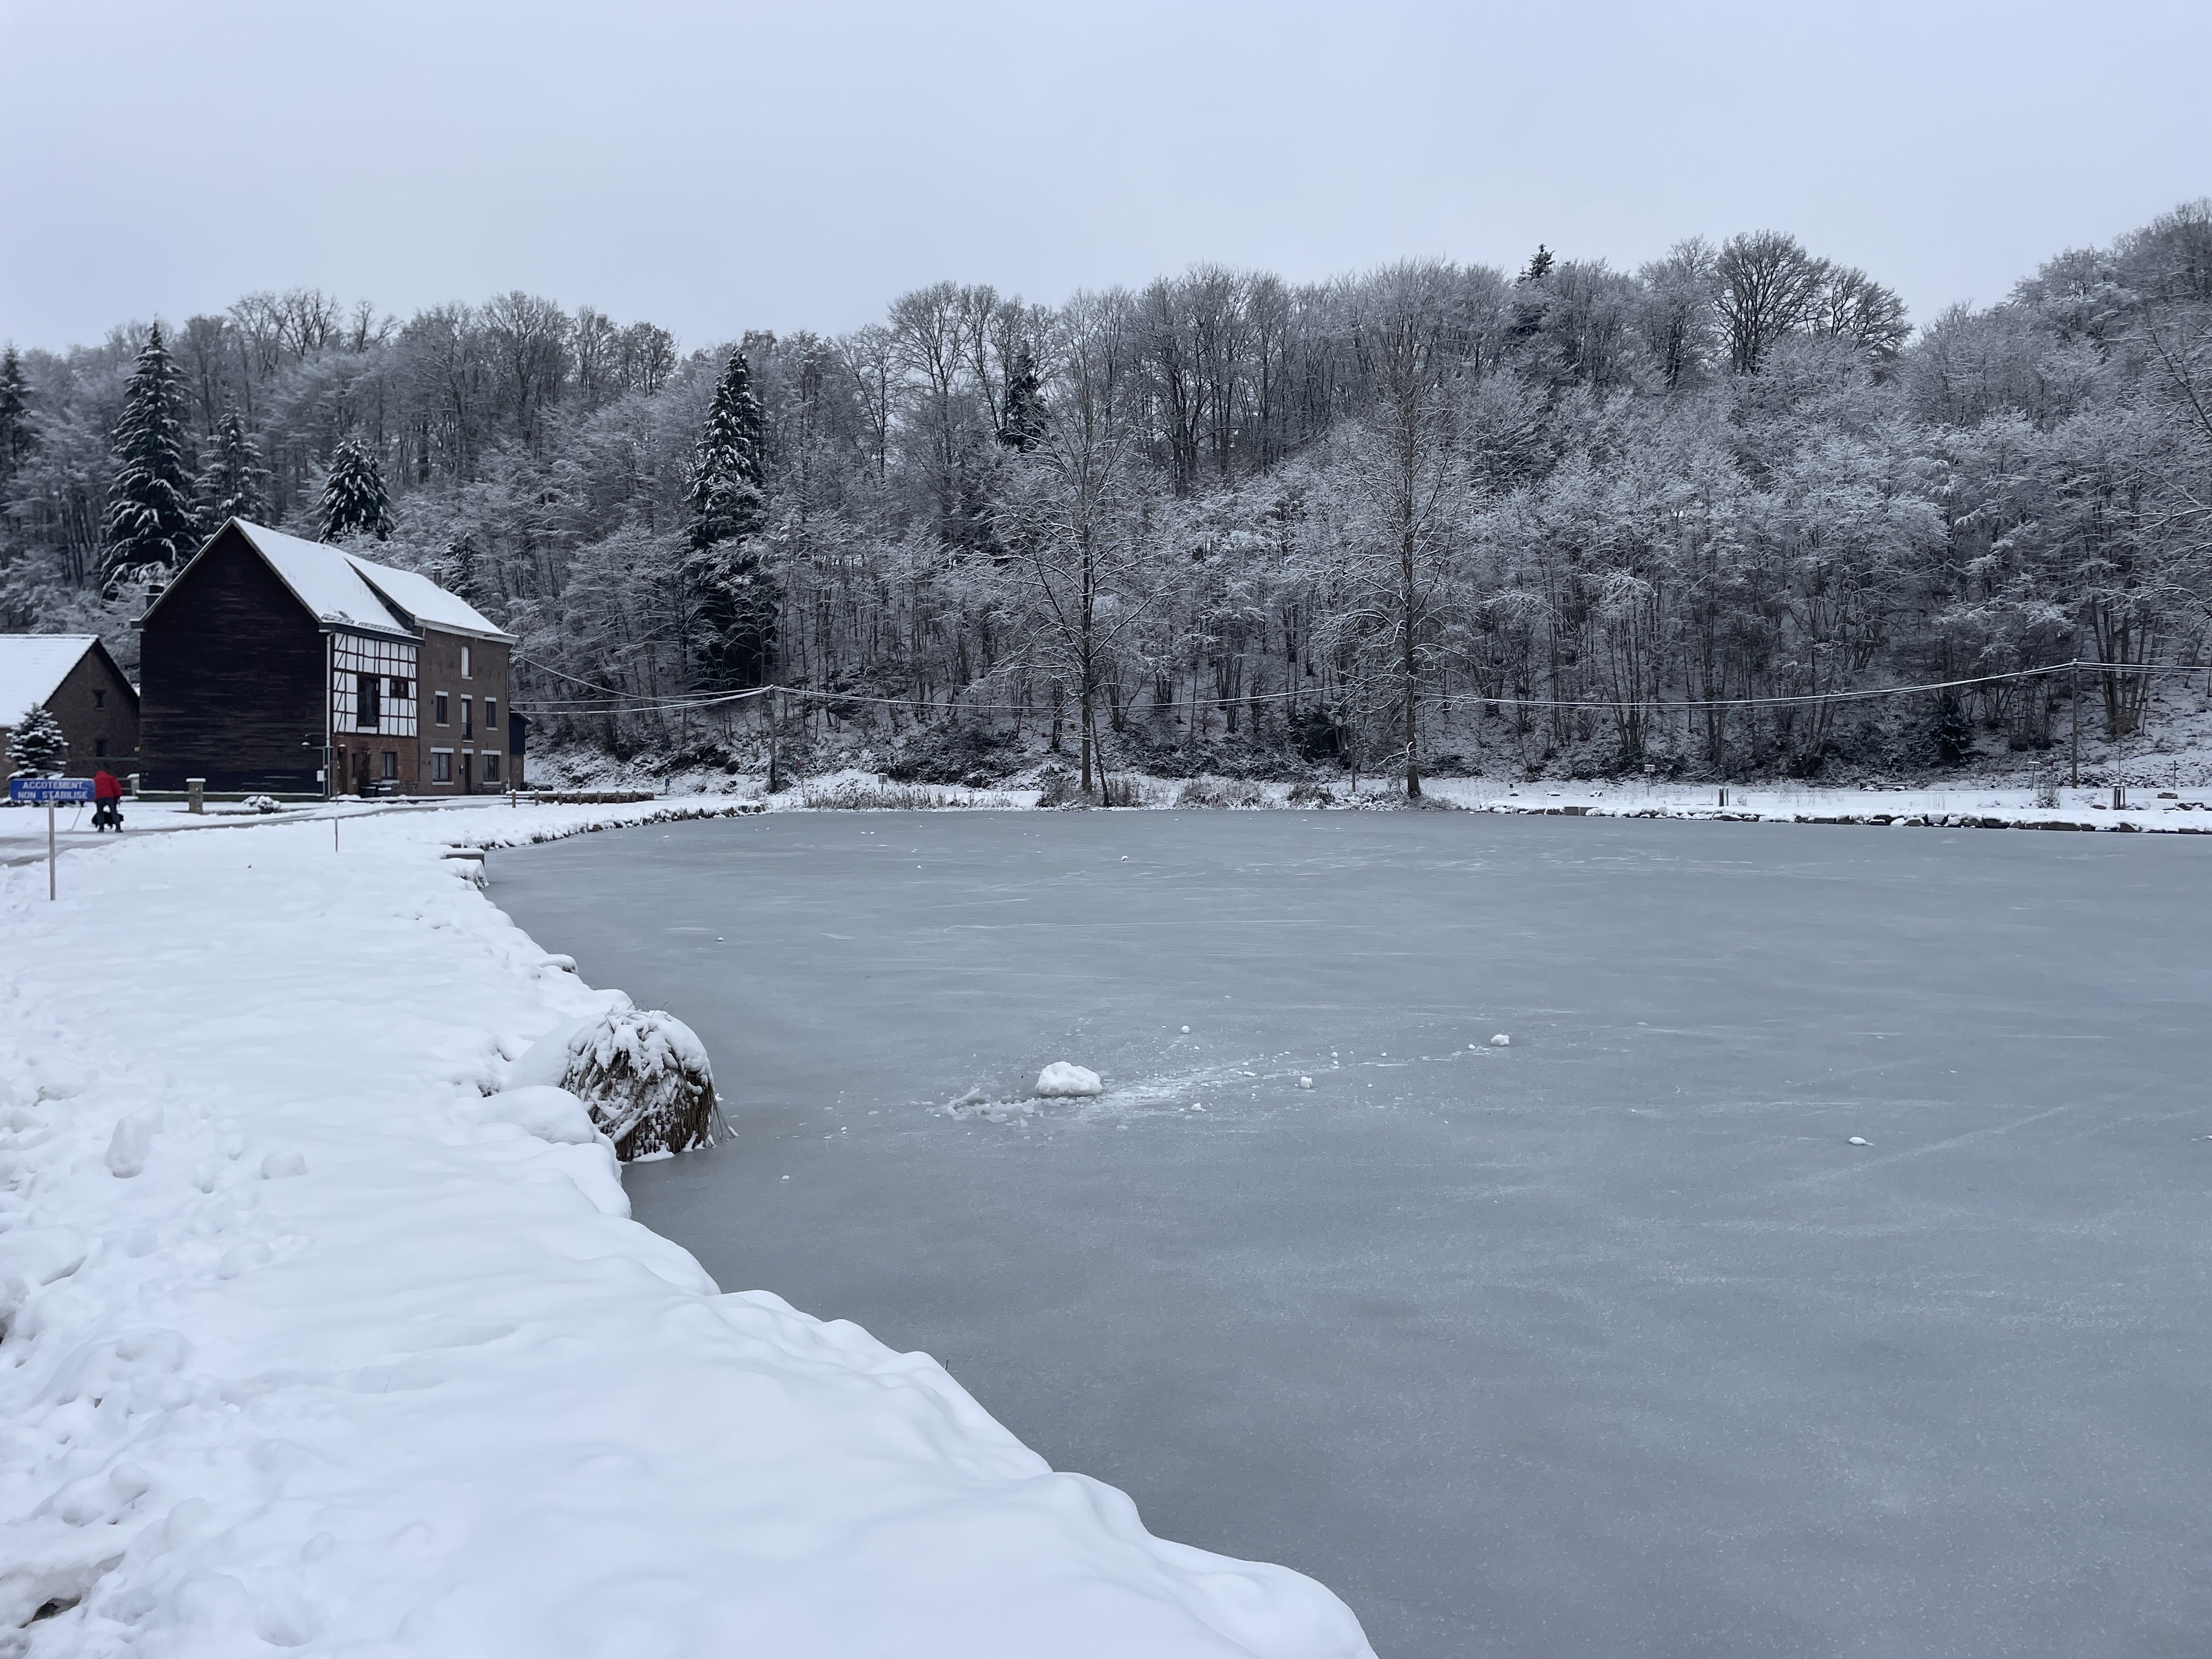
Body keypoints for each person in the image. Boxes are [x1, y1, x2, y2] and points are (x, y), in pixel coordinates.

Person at [92, 766, 123, 831]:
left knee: (100, 813)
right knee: (114, 812)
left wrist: (94, 799)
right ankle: (118, 827)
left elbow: (92, 790)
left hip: (99, 798)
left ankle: (101, 828)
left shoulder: (94, 780)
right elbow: (116, 787)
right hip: (110, 797)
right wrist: (118, 795)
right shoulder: (111, 778)